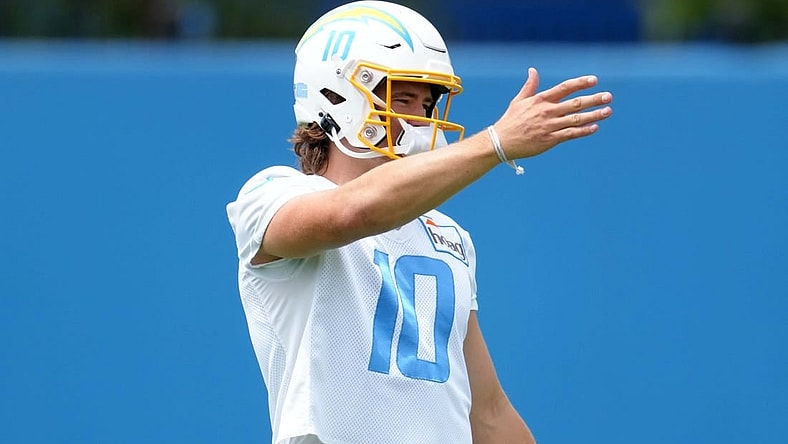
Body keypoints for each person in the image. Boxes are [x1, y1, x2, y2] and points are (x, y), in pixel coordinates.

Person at [226, 1, 613, 443]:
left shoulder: (447, 236)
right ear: (333, 95)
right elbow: (353, 213)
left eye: (426, 103)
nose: (420, 117)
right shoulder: (271, 193)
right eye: (402, 98)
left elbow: (485, 411)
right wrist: (494, 143)